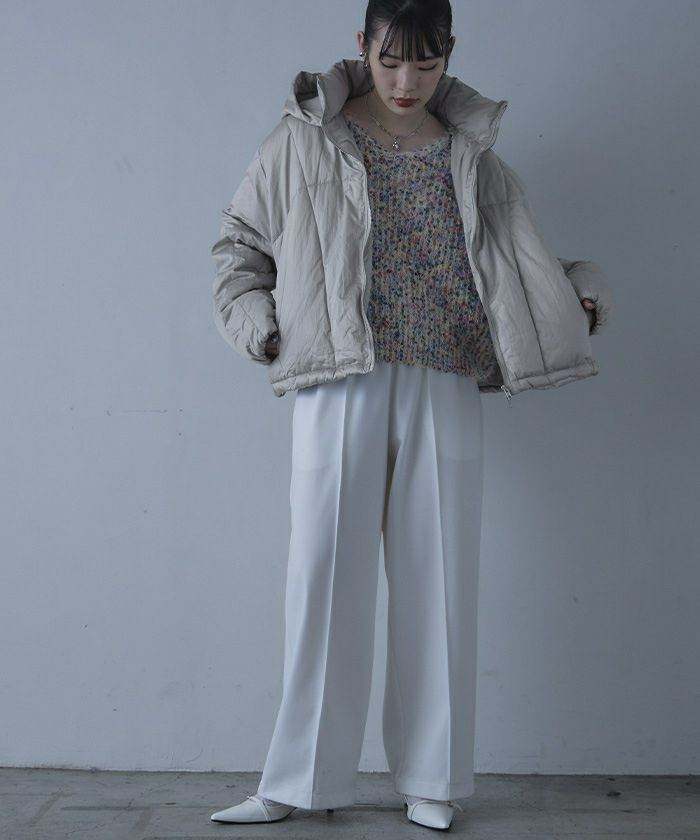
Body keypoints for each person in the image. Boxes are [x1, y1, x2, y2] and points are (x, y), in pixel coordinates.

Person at [209, 0, 613, 831]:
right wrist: (260, 325)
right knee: (323, 580)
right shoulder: (304, 136)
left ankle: (433, 779)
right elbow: (238, 249)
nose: (405, 82)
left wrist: (580, 294)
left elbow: (521, 260)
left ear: (448, 54)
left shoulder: (474, 151)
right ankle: (297, 780)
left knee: (439, 582)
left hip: (445, 375)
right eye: (391, 61)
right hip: (338, 377)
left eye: (425, 66)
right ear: (362, 45)